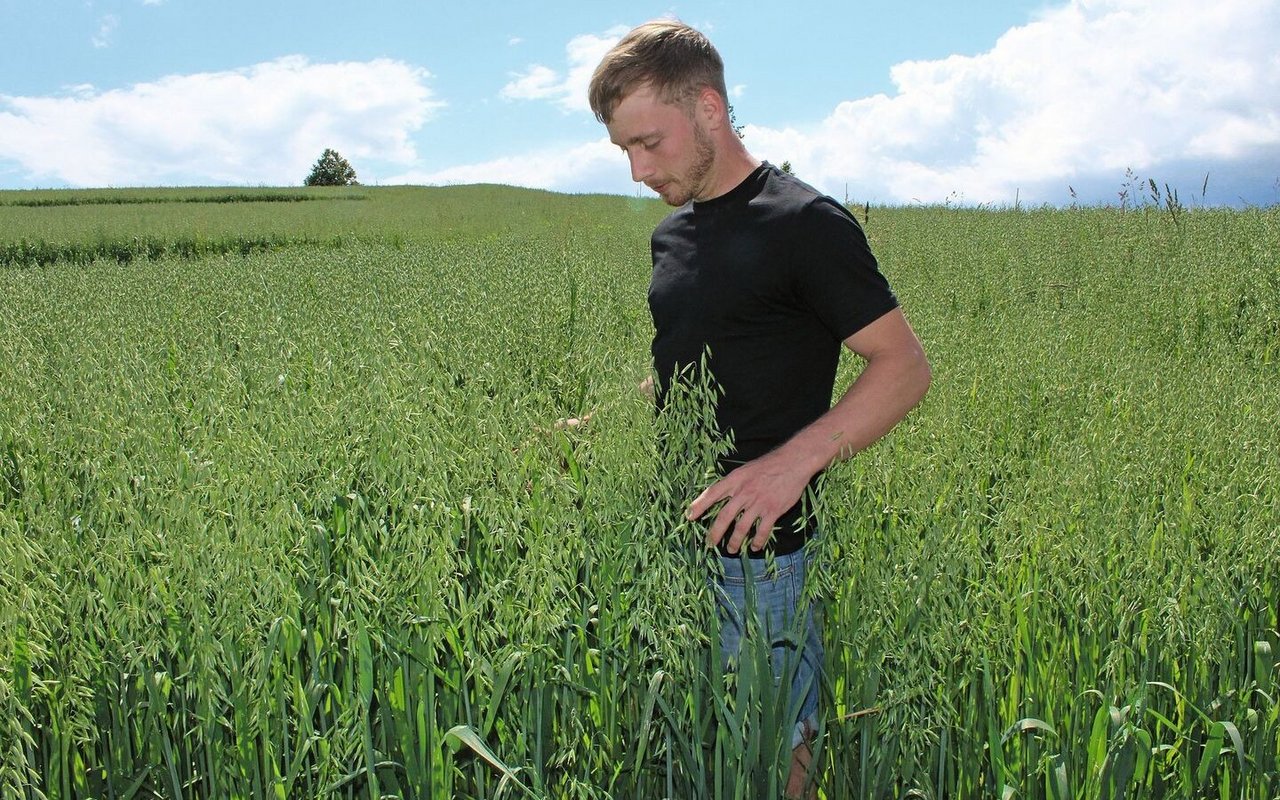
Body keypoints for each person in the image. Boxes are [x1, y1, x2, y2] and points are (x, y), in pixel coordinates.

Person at [589, 20, 931, 798]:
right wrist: (602, 420)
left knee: (781, 754)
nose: (639, 170)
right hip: (673, 535)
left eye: (650, 143)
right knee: (700, 746)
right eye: (624, 152)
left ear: (709, 107)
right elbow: (685, 365)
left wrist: (789, 466)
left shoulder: (805, 223)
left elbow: (905, 367)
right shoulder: (672, 236)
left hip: (765, 556)